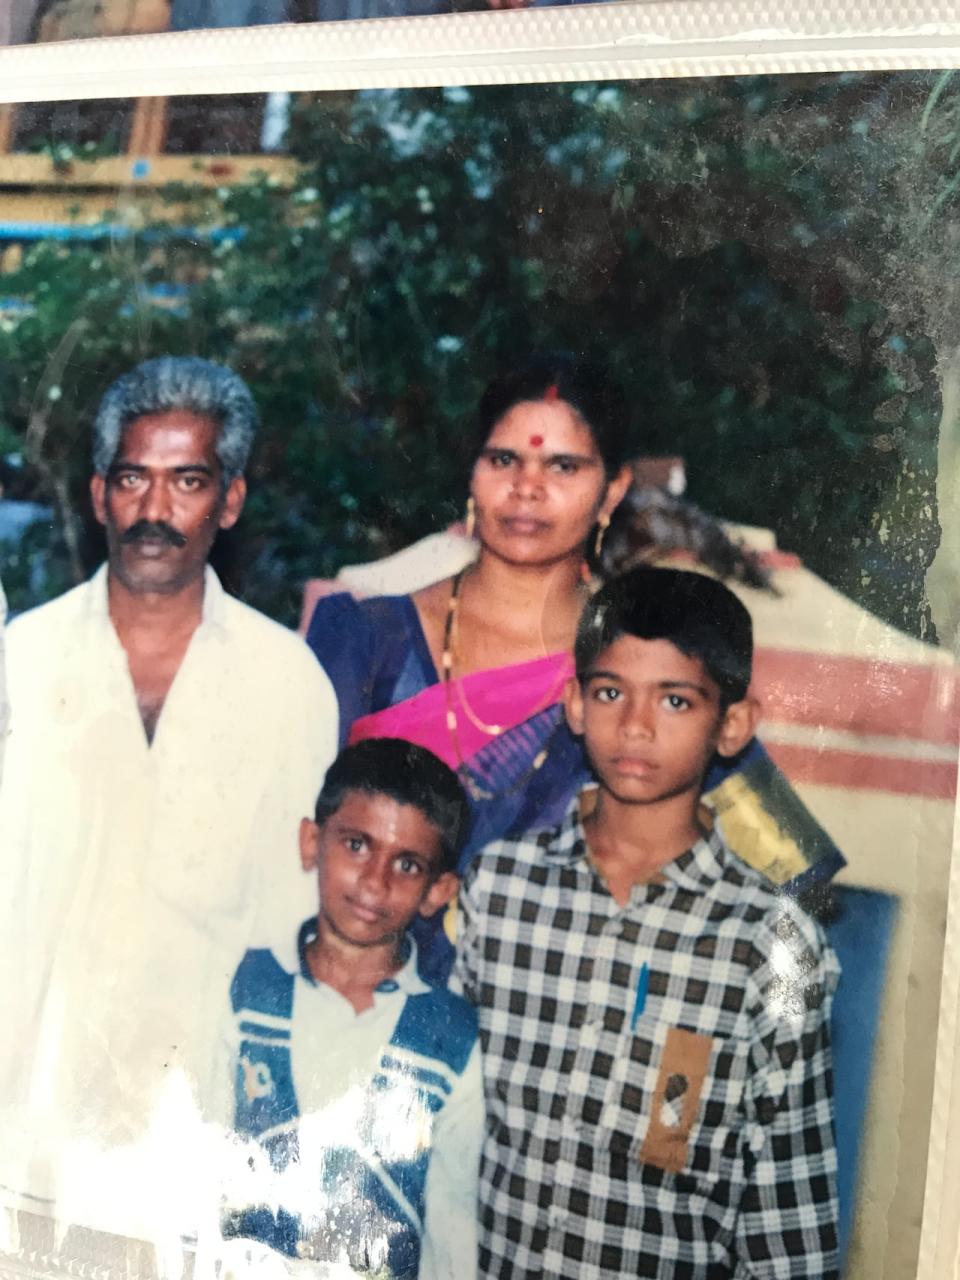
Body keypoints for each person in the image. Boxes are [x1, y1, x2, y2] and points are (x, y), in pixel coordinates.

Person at [306, 354, 844, 980]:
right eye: (504, 459)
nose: (527, 489)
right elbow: (286, 843)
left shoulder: (647, 666)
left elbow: (795, 884)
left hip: (557, 1038)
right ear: (472, 472)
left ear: (612, 489)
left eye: (563, 465)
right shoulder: (365, 640)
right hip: (354, 1009)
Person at [0, 357, 338, 1231]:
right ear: (98, 495)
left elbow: (294, 921)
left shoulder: (285, 682)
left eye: (187, 481)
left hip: (202, 1140)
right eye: (133, 480)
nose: (155, 512)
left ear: (229, 501)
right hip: (28, 1133)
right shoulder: (23, 663)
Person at [456, 565, 840, 1280]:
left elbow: (788, 1223)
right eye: (610, 692)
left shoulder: (769, 944)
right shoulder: (501, 888)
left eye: (675, 699)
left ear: (731, 725)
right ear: (574, 703)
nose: (634, 724)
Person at [221, 738, 481, 1280]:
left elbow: (451, 1227)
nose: (375, 881)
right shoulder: (244, 989)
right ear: (312, 842)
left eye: (407, 864)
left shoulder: (450, 1039)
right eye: (358, 845)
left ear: (438, 891)